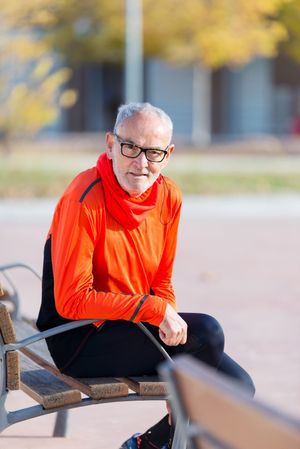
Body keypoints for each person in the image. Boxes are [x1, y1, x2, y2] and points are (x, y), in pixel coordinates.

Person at [37, 102, 255, 449]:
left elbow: (162, 282)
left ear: (167, 155)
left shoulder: (169, 196)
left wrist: (179, 361)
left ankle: (148, 444)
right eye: (130, 148)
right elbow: (71, 301)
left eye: (153, 152)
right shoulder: (85, 198)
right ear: (110, 145)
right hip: (77, 337)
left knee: (239, 389)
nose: (141, 163)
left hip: (131, 327)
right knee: (208, 332)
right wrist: (157, 313)